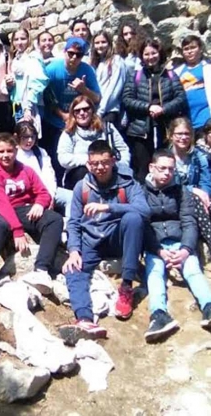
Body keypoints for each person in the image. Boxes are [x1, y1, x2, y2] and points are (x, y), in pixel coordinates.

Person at [58, 140, 149, 343]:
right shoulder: (82, 187)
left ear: (113, 161)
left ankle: (126, 286)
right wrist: (73, 250)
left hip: (116, 237)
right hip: (92, 240)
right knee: (73, 269)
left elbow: (144, 211)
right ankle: (84, 319)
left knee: (133, 218)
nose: (100, 167)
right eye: (95, 163)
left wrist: (108, 208)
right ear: (88, 164)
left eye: (105, 162)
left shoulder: (127, 183)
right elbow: (73, 222)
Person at [0, 133, 64, 303]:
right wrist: (17, 230)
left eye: (9, 151)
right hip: (1, 211)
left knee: (55, 219)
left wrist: (40, 203)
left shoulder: (26, 170)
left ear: (16, 151)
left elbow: (43, 193)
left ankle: (41, 271)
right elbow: (2, 204)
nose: (5, 155)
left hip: (25, 209)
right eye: (1, 151)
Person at [143, 150, 211, 343]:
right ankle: (158, 315)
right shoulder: (142, 191)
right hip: (155, 246)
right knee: (155, 273)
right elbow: (144, 225)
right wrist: (158, 250)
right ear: (151, 168)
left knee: (192, 270)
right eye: (162, 168)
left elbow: (189, 222)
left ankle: (210, 308)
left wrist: (185, 250)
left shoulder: (182, 192)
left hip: (180, 242)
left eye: (171, 169)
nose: (167, 173)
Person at [122, 39, 188, 182]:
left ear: (160, 54)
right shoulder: (135, 76)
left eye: (153, 53)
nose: (150, 57)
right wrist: (148, 107)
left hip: (165, 128)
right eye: (146, 54)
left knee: (165, 167)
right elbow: (127, 99)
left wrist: (163, 109)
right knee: (142, 169)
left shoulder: (170, 75)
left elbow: (180, 98)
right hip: (141, 130)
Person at [43, 37, 102, 181]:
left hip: (78, 121)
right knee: (54, 158)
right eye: (71, 53)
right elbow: (45, 96)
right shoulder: (52, 69)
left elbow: (97, 98)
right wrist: (62, 115)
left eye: (79, 55)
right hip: (54, 120)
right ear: (64, 52)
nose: (74, 58)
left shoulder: (86, 70)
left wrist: (83, 89)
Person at [167, 117, 211, 263]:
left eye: (187, 134)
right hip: (176, 198)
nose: (183, 138)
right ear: (171, 135)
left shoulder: (197, 156)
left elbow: (206, 181)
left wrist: (205, 194)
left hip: (199, 196)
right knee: (196, 201)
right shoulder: (166, 157)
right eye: (179, 134)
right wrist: (194, 190)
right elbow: (171, 184)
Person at [57, 95, 130, 191]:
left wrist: (120, 166)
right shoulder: (69, 133)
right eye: (77, 111)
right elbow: (63, 158)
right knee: (82, 173)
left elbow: (123, 149)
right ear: (73, 114)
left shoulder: (107, 128)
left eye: (86, 109)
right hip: (81, 176)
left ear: (92, 110)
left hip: (109, 171)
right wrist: (88, 161)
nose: (82, 113)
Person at [173, 35, 211, 133]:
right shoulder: (176, 72)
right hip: (187, 125)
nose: (189, 51)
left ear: (200, 49)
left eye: (193, 47)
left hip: (208, 123)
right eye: (186, 49)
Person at [15, 121, 72, 218]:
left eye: (32, 137)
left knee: (72, 197)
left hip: (47, 190)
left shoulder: (40, 152)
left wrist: (50, 195)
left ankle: (69, 224)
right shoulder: (14, 154)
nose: (29, 140)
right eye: (25, 137)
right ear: (16, 137)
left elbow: (49, 175)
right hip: (29, 194)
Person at [10, 28, 48, 134]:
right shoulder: (16, 59)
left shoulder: (33, 57)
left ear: (29, 40)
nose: (19, 42)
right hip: (18, 105)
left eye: (23, 39)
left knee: (31, 139)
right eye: (16, 39)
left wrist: (28, 108)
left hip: (31, 105)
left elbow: (38, 82)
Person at [89, 30, 126, 130]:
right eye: (97, 43)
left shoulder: (116, 61)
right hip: (94, 111)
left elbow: (114, 88)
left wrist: (100, 111)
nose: (100, 45)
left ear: (109, 43)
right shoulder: (96, 63)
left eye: (103, 42)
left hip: (109, 111)